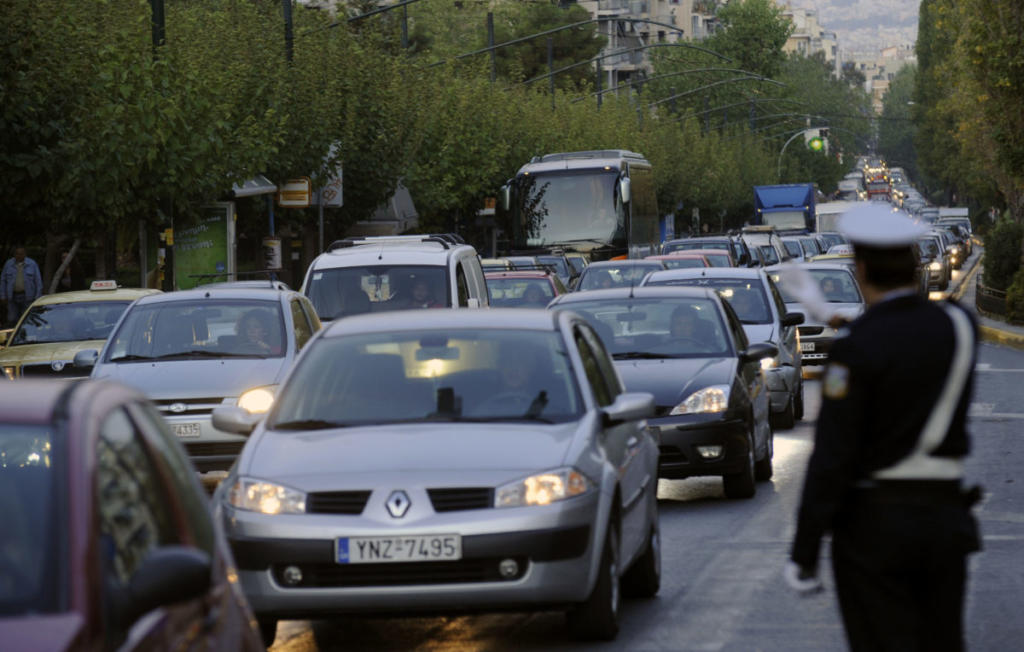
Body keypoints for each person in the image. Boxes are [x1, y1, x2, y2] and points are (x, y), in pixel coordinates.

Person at [786, 204, 981, 652]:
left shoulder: (853, 351)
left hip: (875, 531)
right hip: (945, 523)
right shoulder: (961, 326)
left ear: (861, 269)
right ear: (915, 265)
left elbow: (832, 457)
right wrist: (840, 323)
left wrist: (805, 550)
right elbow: (908, 339)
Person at [1, 247, 43, 327]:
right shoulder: (8, 264)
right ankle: (13, 337)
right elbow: (3, 281)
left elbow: (38, 281)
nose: (19, 256)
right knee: (12, 319)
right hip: (12, 296)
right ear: (14, 255)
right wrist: (3, 296)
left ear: (25, 254)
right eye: (17, 254)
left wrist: (37, 297)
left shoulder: (32, 264)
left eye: (21, 254)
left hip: (27, 297)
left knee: (27, 319)